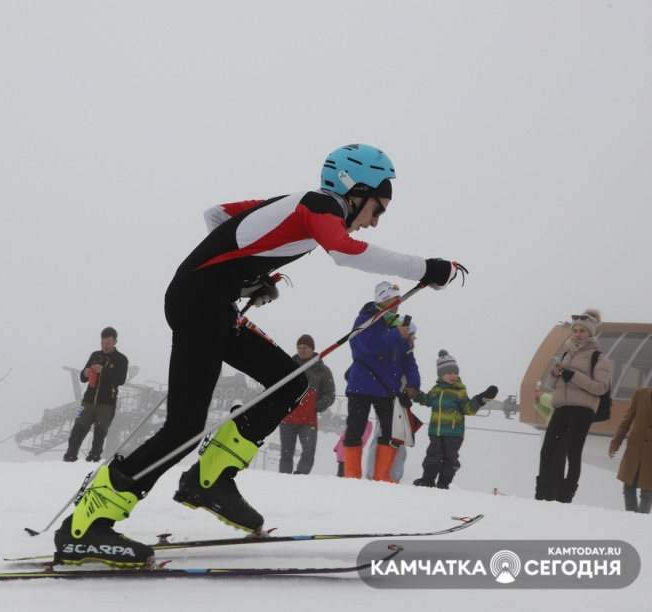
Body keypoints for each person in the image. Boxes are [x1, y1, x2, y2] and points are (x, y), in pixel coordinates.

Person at [53, 143, 465, 567]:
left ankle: (210, 479)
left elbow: (217, 215)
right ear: (355, 190)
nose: (374, 221)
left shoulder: (296, 205)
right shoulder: (321, 204)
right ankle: (86, 526)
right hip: (199, 303)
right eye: (377, 209)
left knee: (290, 381)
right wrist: (428, 268)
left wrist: (247, 276)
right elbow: (344, 251)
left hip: (211, 302)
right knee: (183, 427)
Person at [341, 281, 420, 483]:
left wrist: (413, 384)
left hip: (386, 389)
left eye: (399, 298)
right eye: (395, 298)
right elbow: (369, 346)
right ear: (383, 299)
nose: (399, 302)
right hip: (362, 385)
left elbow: (408, 360)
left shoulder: (396, 325)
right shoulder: (365, 319)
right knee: (356, 428)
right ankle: (351, 475)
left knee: (390, 431)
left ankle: (382, 475)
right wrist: (397, 335)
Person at [535, 310, 611, 503]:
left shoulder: (598, 357)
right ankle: (543, 494)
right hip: (562, 407)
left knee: (571, 452)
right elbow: (552, 385)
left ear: (590, 333)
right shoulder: (565, 354)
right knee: (548, 450)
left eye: (582, 331)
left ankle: (564, 496)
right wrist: (555, 373)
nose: (577, 334)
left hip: (583, 410)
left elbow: (601, 387)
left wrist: (573, 376)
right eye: (575, 330)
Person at [413, 350, 497, 489]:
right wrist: (414, 394)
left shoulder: (459, 392)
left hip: (454, 433)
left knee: (450, 458)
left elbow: (468, 409)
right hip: (435, 431)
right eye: (449, 373)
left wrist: (481, 399)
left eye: (455, 372)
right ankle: (427, 480)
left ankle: (443, 483)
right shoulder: (436, 390)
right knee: (433, 455)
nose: (453, 375)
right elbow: (426, 400)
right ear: (441, 374)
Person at [63, 327, 129, 463]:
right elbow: (83, 378)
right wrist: (85, 373)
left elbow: (121, 380)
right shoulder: (95, 355)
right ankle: (69, 458)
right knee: (77, 432)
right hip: (87, 402)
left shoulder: (121, 359)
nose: (105, 346)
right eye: (102, 343)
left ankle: (93, 460)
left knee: (99, 436)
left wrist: (103, 370)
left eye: (108, 343)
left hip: (106, 405)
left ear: (115, 342)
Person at [277, 334, 335, 475]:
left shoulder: (323, 370)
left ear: (312, 349)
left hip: (308, 421)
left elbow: (330, 393)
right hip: (287, 419)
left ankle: (300, 479)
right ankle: (283, 480)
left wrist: (316, 406)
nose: (302, 350)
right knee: (286, 454)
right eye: (299, 347)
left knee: (308, 453)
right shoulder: (288, 366)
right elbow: (277, 387)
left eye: (305, 347)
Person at [608, 387, 652, 513]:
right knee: (628, 487)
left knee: (647, 492)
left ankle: (638, 522)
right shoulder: (641, 394)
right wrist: (616, 442)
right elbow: (626, 420)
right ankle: (630, 519)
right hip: (635, 448)